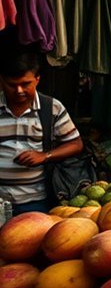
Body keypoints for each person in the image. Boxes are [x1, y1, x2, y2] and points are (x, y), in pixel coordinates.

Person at [0, 52, 83, 214]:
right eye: (12, 85)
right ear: (1, 80)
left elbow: (76, 144)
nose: (19, 90)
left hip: (36, 201)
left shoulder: (52, 108)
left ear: (37, 79)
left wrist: (45, 156)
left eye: (25, 84)